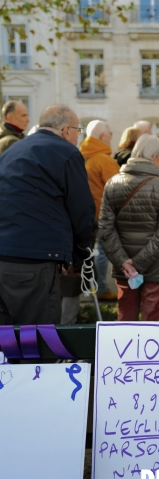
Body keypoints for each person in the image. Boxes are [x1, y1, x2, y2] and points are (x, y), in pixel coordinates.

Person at [0, 105, 95, 325]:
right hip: (35, 260)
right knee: (36, 338)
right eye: (78, 131)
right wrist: (80, 257)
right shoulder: (67, 153)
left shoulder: (12, 150)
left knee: (6, 341)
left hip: (5, 254)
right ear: (66, 130)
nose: (78, 137)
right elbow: (82, 211)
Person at [99, 135, 159, 321]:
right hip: (158, 264)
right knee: (152, 319)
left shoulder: (112, 183)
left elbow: (105, 229)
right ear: (156, 157)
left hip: (124, 267)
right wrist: (138, 263)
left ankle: (125, 350)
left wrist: (125, 262)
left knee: (126, 316)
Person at [80, 120, 120, 301]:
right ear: (103, 136)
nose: (111, 137)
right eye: (110, 133)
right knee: (102, 253)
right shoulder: (104, 160)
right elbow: (117, 190)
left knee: (90, 252)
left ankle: (92, 287)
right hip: (103, 213)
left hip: (85, 212)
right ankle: (101, 289)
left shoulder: (82, 156)